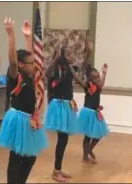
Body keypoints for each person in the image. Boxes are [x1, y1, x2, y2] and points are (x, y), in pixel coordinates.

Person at [0, 17, 48, 184]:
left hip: (30, 119)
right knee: (17, 157)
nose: (34, 65)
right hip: (19, 119)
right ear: (21, 64)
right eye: (30, 63)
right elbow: (12, 60)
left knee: (30, 157)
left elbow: (30, 56)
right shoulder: (14, 75)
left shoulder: (29, 75)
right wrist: (11, 34)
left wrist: (27, 37)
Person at [44, 45, 81, 182]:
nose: (72, 57)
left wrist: (88, 52)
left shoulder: (69, 70)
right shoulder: (57, 70)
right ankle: (56, 171)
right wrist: (56, 59)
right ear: (62, 57)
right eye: (69, 54)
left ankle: (57, 169)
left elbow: (80, 77)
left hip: (67, 105)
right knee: (62, 139)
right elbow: (46, 74)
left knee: (64, 139)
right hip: (59, 106)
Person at [72, 63, 109, 164]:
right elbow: (80, 82)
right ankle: (85, 157)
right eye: (95, 78)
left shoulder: (98, 86)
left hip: (95, 113)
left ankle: (89, 150)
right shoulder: (88, 86)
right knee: (88, 136)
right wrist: (74, 74)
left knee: (99, 134)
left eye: (98, 77)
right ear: (90, 79)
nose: (97, 80)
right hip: (88, 113)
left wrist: (104, 73)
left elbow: (101, 83)